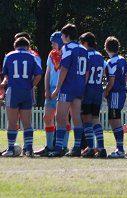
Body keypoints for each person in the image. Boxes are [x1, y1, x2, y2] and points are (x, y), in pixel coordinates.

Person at [48, 23, 89, 157]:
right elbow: (87, 71)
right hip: (79, 86)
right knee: (76, 117)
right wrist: (83, 84)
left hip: (68, 86)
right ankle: (77, 147)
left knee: (60, 117)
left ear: (66, 36)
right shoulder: (83, 49)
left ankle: (59, 147)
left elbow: (64, 68)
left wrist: (58, 88)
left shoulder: (67, 48)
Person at [1, 37, 42, 157]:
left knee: (12, 122)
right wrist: (31, 85)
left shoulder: (9, 56)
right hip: (26, 91)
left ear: (15, 46)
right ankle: (29, 150)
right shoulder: (32, 56)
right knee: (27, 122)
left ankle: (10, 149)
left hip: (13, 90)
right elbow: (39, 75)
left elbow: (6, 75)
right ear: (28, 46)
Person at [34, 31, 71, 157]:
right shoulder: (52, 54)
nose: (52, 45)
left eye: (54, 43)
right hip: (51, 88)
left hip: (63, 89)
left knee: (63, 118)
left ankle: (63, 146)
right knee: (47, 117)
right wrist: (46, 90)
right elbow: (48, 72)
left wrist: (59, 88)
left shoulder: (67, 53)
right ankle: (49, 146)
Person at [80, 32, 107, 158]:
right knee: (96, 119)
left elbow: (86, 73)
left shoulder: (86, 55)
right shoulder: (100, 56)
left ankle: (90, 147)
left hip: (88, 89)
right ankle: (101, 147)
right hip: (97, 88)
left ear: (85, 43)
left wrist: (81, 89)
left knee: (86, 119)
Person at [104, 36, 127, 158]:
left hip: (114, 93)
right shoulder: (122, 59)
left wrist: (106, 91)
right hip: (121, 92)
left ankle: (120, 149)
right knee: (113, 119)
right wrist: (123, 83)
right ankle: (119, 148)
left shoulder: (111, 62)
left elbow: (112, 81)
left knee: (115, 120)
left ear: (106, 47)